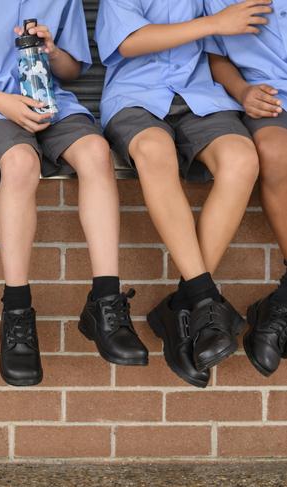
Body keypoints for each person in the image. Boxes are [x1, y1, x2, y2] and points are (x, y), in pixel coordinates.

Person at [0, 0, 148, 387]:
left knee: (96, 152)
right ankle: (16, 312)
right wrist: (5, 103)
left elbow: (71, 69)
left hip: (51, 104)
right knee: (20, 163)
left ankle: (105, 302)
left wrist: (53, 50)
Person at [96, 0, 268, 387]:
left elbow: (223, 47)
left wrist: (242, 89)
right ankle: (204, 300)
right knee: (155, 153)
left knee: (242, 159)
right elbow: (130, 42)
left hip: (201, 95)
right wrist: (212, 23)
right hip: (136, 97)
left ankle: (182, 308)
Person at [206, 0, 287, 377]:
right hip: (268, 99)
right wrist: (241, 91)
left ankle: (282, 304)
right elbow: (212, 54)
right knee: (273, 152)